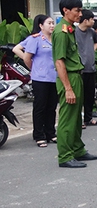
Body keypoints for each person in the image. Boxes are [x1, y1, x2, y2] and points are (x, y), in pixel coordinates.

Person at [52, 0, 97, 168]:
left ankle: (78, 150)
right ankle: (65, 156)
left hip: (76, 75)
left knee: (76, 118)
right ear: (66, 10)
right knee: (67, 119)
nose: (80, 14)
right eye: (77, 10)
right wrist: (68, 88)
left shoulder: (70, 29)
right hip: (69, 78)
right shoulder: (61, 32)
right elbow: (59, 61)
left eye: (80, 10)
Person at [12, 15, 57, 147]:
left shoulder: (55, 39)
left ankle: (51, 133)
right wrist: (34, 66)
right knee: (40, 106)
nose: (52, 25)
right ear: (41, 25)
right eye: (49, 23)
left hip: (53, 77)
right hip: (40, 78)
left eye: (53, 23)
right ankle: (39, 134)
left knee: (52, 107)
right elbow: (26, 57)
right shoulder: (35, 39)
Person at [75, 9, 97, 128]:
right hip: (80, 69)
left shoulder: (91, 32)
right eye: (91, 19)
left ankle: (88, 118)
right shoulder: (74, 32)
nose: (93, 21)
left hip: (91, 68)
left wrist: (90, 50)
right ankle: (78, 120)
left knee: (89, 96)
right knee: (79, 97)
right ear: (85, 20)